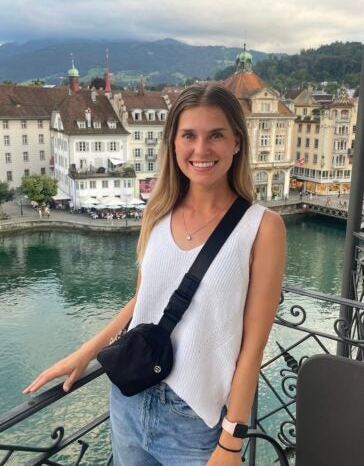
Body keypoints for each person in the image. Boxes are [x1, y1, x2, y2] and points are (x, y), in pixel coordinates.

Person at [23, 84, 285, 465]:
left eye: (216, 135)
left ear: (237, 143)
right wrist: (86, 352)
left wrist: (233, 437)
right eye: (189, 135)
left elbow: (253, 347)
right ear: (173, 143)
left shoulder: (263, 228)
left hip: (195, 419)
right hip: (129, 399)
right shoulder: (157, 211)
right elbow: (143, 301)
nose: (201, 149)